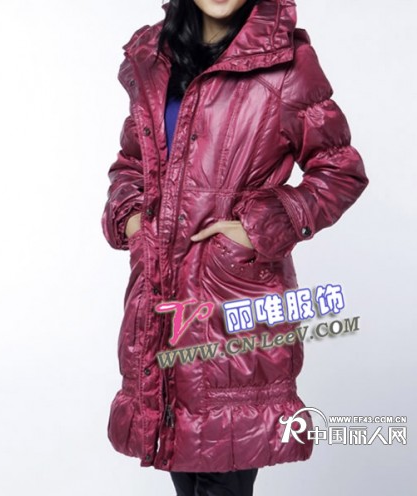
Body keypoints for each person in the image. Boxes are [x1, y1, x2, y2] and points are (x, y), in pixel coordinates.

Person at [101, 0, 369, 494]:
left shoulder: (285, 62)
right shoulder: (156, 57)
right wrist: (133, 219)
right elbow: (132, 164)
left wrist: (260, 224)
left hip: (234, 306)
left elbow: (340, 170)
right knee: (186, 477)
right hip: (161, 307)